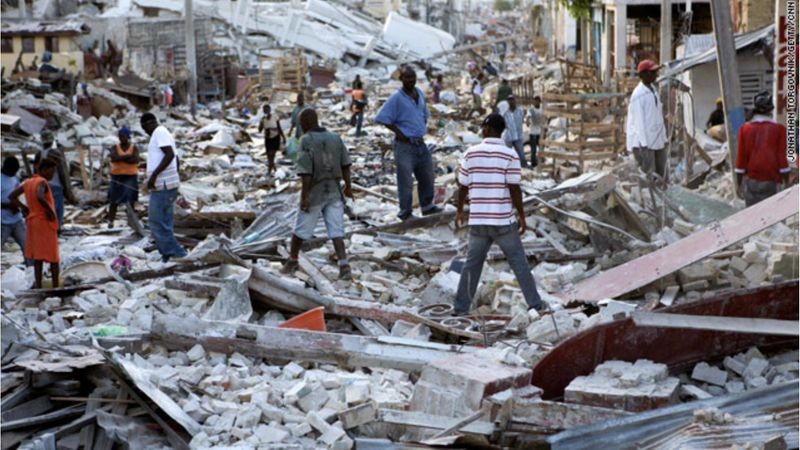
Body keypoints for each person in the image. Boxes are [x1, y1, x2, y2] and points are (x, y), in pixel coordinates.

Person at [454, 113, 545, 316]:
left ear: (486, 129)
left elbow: (462, 186)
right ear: (502, 131)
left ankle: (460, 310)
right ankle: (535, 306)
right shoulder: (510, 155)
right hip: (503, 221)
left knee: (472, 266)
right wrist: (521, 216)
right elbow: (514, 189)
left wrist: (460, 210)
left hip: (478, 222)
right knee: (519, 264)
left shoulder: (470, 153)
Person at [282, 109, 354, 280]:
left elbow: (306, 172)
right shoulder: (335, 138)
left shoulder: (306, 140)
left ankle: (292, 261)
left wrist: (304, 196)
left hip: (315, 191)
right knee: (337, 231)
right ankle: (344, 266)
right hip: (334, 190)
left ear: (305, 123)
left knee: (300, 229)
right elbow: (346, 164)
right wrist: (348, 187)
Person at [375, 65, 443, 220]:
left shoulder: (418, 93)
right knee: (405, 180)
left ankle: (427, 206)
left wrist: (421, 126)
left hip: (420, 143)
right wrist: (401, 133)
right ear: (401, 79)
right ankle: (405, 212)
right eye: (407, 77)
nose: (410, 80)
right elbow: (382, 118)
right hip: (404, 146)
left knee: (427, 175)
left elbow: (424, 113)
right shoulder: (396, 98)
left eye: (412, 77)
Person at [140, 113, 187, 262]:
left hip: (163, 185)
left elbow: (170, 154)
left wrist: (154, 176)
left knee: (155, 220)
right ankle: (167, 254)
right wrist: (175, 177)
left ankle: (176, 252)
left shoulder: (159, 132)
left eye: (144, 128)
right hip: (168, 183)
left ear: (147, 124)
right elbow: (176, 158)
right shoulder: (163, 133)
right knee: (165, 221)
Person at [9, 156, 60, 289]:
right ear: (44, 169)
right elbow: (40, 195)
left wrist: (24, 208)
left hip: (32, 221)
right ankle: (56, 286)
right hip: (44, 222)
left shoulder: (28, 182)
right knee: (53, 257)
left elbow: (12, 196)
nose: (52, 174)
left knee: (38, 256)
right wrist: (49, 210)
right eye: (51, 171)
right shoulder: (42, 181)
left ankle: (38, 285)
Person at [734, 91, 790, 206]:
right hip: (772, 181)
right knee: (772, 217)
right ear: (770, 110)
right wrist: (786, 181)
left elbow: (741, 159)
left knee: (753, 218)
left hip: (751, 181)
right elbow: (781, 159)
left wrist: (738, 184)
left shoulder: (744, 129)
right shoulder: (779, 129)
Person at [626, 59, 668, 183]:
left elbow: (658, 115)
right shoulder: (638, 94)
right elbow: (639, 122)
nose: (656, 75)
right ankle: (649, 201)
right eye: (652, 72)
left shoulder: (653, 90)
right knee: (649, 176)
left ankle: (663, 200)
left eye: (655, 72)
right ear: (643, 75)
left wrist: (664, 137)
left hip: (656, 139)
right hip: (643, 142)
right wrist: (644, 145)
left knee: (662, 173)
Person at [38, 130, 76, 233]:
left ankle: (48, 228)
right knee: (57, 209)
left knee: (47, 208)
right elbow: (63, 172)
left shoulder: (40, 153)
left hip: (43, 185)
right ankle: (55, 229)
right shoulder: (55, 153)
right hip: (56, 185)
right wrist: (68, 191)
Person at [107, 127, 139, 229]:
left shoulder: (134, 147)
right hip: (117, 176)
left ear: (128, 137)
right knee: (113, 200)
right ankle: (111, 221)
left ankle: (132, 222)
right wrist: (127, 157)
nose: (122, 138)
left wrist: (120, 158)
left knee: (131, 200)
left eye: (124, 136)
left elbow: (135, 160)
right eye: (120, 136)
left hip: (130, 176)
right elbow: (113, 158)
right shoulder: (115, 147)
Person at [1, 156, 28, 261]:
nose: (14, 173)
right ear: (6, 168)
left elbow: (17, 195)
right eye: (13, 171)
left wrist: (20, 206)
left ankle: (31, 271)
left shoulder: (15, 178)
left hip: (16, 219)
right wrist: (8, 206)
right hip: (2, 222)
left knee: (27, 247)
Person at [258, 104, 286, 174]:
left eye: (267, 109)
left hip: (275, 137)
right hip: (267, 138)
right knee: (268, 154)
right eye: (264, 110)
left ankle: (270, 169)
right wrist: (261, 123)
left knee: (272, 154)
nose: (266, 111)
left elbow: (279, 127)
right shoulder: (263, 119)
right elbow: (259, 130)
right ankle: (273, 168)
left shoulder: (274, 117)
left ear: (269, 110)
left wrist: (283, 136)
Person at [502, 95, 526, 168]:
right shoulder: (505, 112)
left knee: (521, 154)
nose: (511, 102)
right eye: (509, 100)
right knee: (506, 154)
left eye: (512, 100)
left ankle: (524, 167)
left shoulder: (520, 111)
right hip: (509, 136)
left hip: (518, 136)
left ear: (515, 101)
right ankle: (507, 168)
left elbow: (522, 120)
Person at [528, 96, 543, 168]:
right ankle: (533, 164)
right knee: (533, 150)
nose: (535, 103)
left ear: (539, 102)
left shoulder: (542, 109)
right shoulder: (531, 110)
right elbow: (528, 117)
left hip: (540, 132)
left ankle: (540, 162)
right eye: (534, 101)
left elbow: (546, 118)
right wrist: (528, 121)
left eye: (536, 101)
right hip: (533, 132)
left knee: (541, 149)